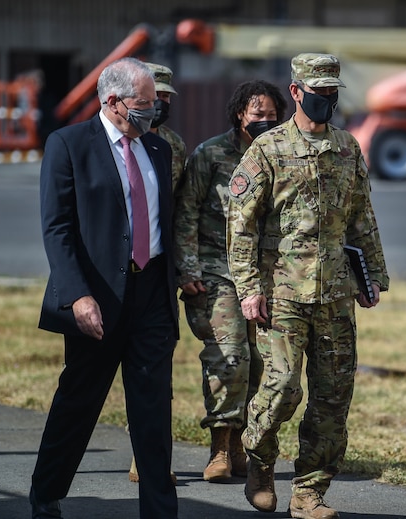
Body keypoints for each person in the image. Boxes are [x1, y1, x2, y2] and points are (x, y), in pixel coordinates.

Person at [226, 53, 389, 519]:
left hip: (335, 294)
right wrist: (248, 288)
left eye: (332, 94)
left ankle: (309, 491)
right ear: (296, 92)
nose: (326, 102)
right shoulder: (267, 149)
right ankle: (259, 458)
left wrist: (371, 276)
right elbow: (242, 225)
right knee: (281, 389)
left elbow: (361, 219)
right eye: (317, 94)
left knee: (333, 395)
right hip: (282, 294)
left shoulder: (347, 148)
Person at [29, 57, 179, 519]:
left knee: (152, 412)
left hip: (151, 293)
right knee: (79, 401)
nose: (152, 114)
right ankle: (46, 493)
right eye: (144, 105)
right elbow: (57, 228)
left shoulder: (158, 150)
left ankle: (159, 511)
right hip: (96, 298)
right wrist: (76, 295)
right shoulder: (69, 145)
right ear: (113, 102)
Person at [173, 79, 288, 483]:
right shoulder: (211, 154)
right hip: (216, 271)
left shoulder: (281, 153)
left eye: (272, 116)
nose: (265, 122)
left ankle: (241, 446)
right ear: (240, 114)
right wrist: (187, 269)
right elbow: (186, 212)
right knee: (230, 356)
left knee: (260, 364)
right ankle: (219, 447)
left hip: (263, 277)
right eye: (258, 115)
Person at [126, 61, 188, 485]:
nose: (161, 104)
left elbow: (181, 213)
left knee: (156, 369)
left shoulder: (174, 146)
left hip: (159, 269)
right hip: (120, 270)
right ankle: (139, 451)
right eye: (154, 96)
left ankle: (153, 456)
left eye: (166, 97)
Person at [146, 62, 188, 193]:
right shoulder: (124, 139)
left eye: (165, 96)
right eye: (155, 94)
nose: (160, 101)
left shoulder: (174, 143)